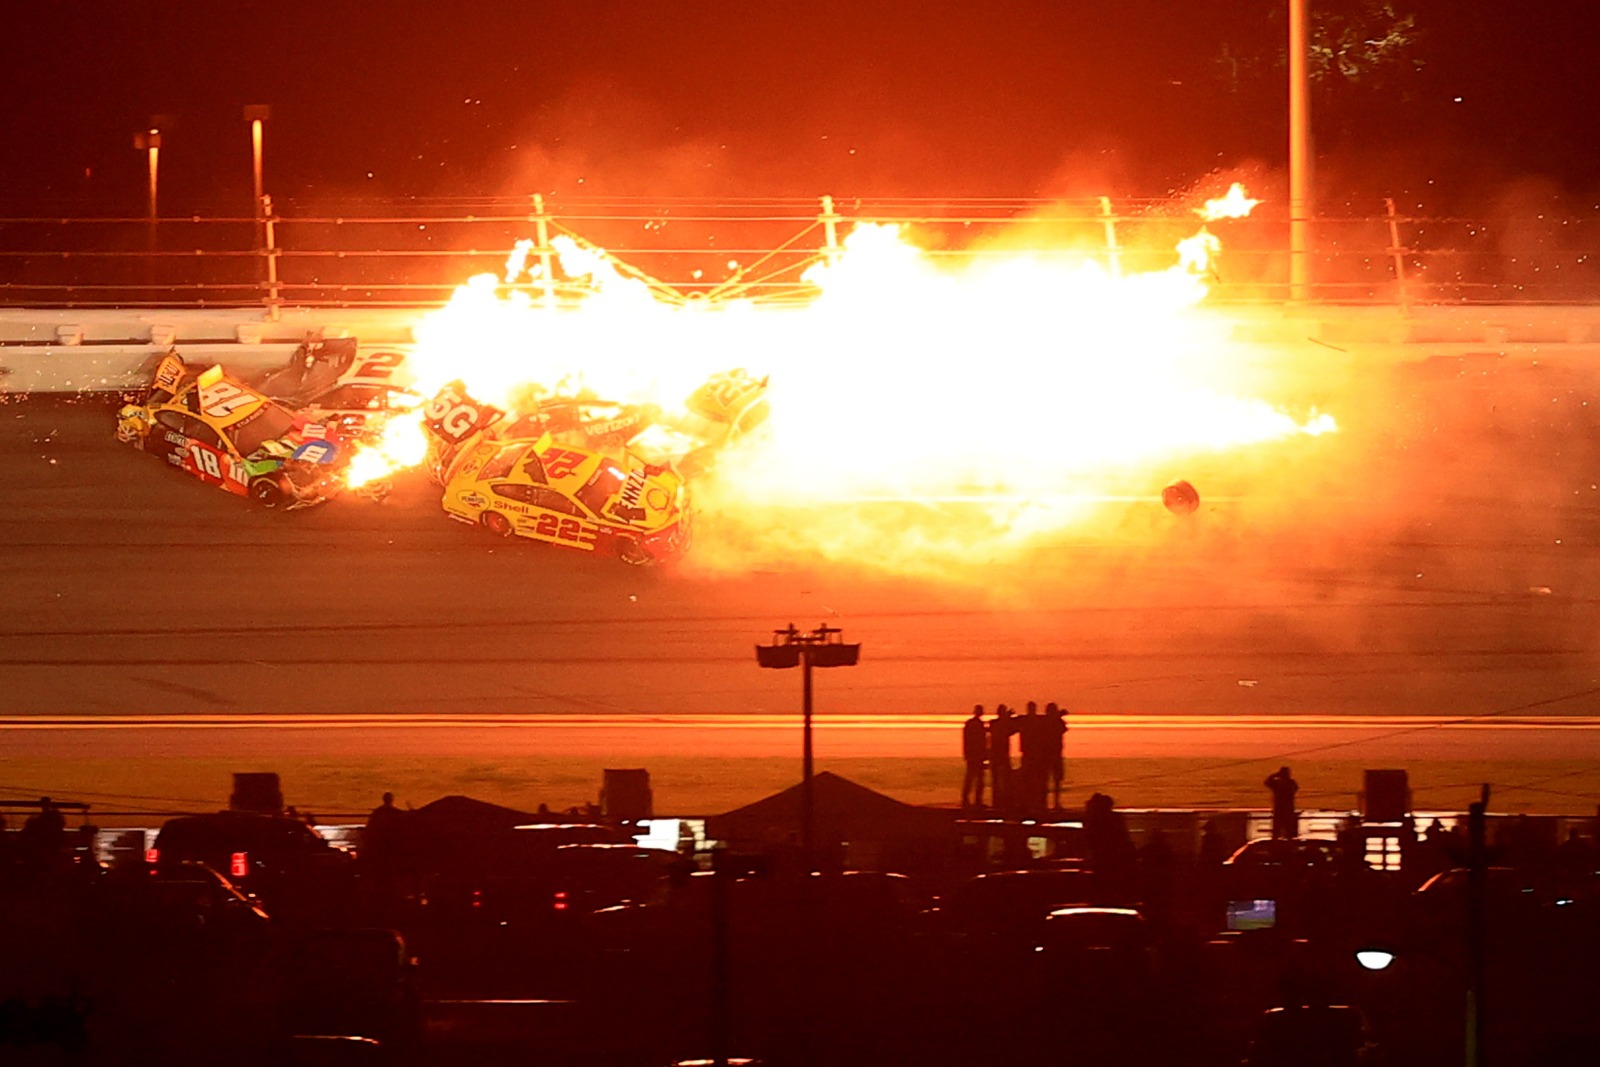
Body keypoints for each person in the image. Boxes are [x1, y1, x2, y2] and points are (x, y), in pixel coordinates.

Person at [961, 705, 989, 809]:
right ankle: (973, 800)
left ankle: (972, 800)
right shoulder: (976, 725)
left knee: (974, 779)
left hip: (975, 755)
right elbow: (978, 741)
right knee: (975, 779)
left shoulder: (972, 724)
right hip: (975, 756)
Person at [989, 705, 1015, 813]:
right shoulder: (996, 724)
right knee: (1000, 779)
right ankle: (998, 801)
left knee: (1001, 779)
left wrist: (1007, 717)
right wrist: (1008, 717)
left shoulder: (995, 724)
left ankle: (999, 801)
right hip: (999, 755)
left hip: (999, 755)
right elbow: (1009, 728)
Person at [1265, 767, 1299, 840]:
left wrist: (1275, 775)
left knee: (1277, 831)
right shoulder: (1291, 783)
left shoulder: (1278, 784)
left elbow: (1267, 782)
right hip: (1288, 810)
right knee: (1289, 831)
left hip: (1279, 810)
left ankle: (1275, 844)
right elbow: (1296, 788)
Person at [1045, 703, 1068, 809]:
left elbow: (1063, 729)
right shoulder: (1046, 722)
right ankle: (1050, 802)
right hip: (1049, 754)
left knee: (1056, 780)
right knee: (1048, 779)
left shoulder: (1057, 722)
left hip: (1056, 754)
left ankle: (1056, 802)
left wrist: (1058, 716)